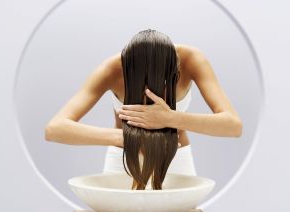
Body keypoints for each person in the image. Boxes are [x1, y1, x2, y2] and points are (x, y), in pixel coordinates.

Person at [45, 29, 243, 190]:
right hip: (123, 159)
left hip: (175, 158)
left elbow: (233, 126)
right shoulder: (112, 69)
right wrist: (125, 139)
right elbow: (55, 129)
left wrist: (170, 118)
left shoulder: (191, 60)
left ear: (175, 68)